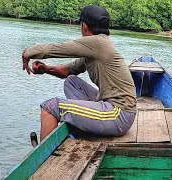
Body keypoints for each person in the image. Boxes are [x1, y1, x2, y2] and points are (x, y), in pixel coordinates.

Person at [22, 5, 137, 142]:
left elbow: (56, 49)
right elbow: (67, 71)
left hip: (118, 115)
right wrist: (46, 69)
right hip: (112, 107)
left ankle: (42, 158)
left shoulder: (97, 43)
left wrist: (28, 53)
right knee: (71, 81)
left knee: (51, 106)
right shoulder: (97, 47)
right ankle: (82, 119)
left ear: (84, 26)